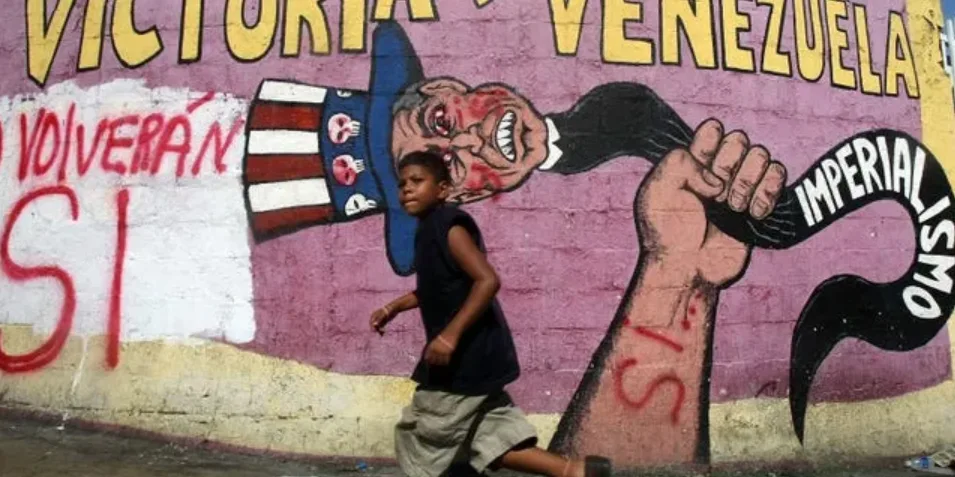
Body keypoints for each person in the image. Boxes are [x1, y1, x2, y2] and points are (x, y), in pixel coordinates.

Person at [370, 150, 613, 477]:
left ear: (442, 189)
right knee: (484, 435)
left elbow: (487, 280)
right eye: (402, 185)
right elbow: (435, 288)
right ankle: (574, 471)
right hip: (477, 357)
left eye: (417, 181)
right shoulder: (427, 230)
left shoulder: (448, 227)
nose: (407, 190)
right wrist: (393, 307)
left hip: (464, 357)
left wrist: (449, 336)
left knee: (423, 432)